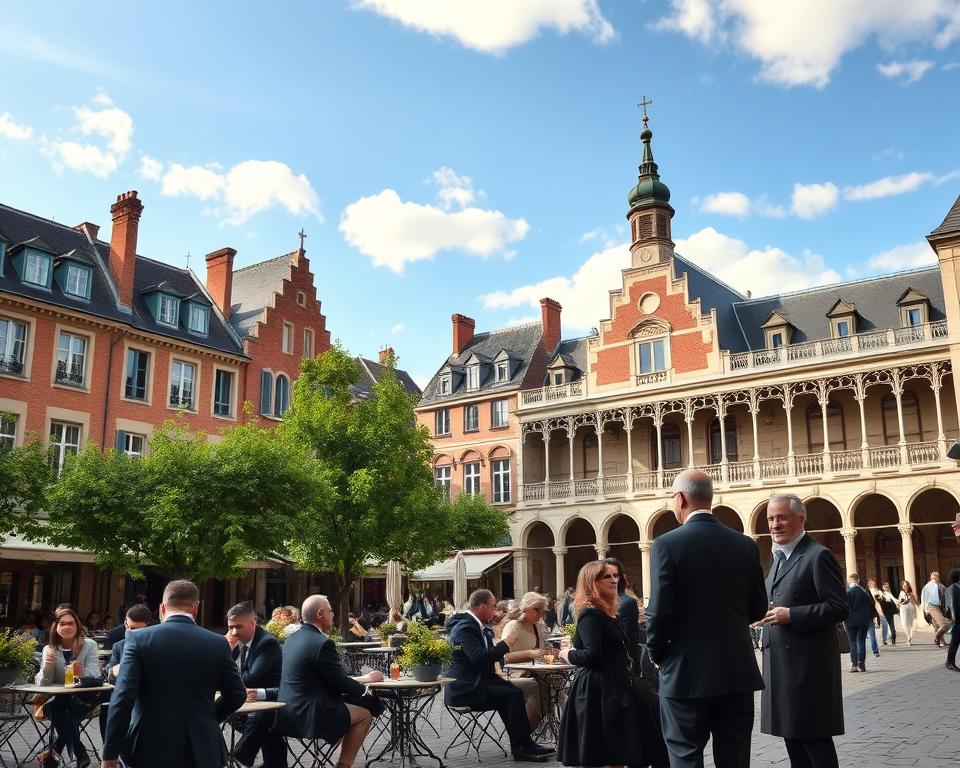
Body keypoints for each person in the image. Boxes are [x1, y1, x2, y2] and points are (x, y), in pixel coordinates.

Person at [645, 469, 767, 768]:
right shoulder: (745, 544)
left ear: (681, 498)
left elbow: (659, 612)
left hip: (684, 672)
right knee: (735, 759)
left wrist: (659, 654)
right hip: (736, 670)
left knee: (685, 756)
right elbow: (758, 608)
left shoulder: (667, 544)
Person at [101, 580, 246, 768]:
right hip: (201, 744)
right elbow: (236, 695)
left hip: (148, 743)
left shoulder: (138, 639)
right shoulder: (218, 643)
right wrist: (208, 717)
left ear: (162, 607)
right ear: (196, 607)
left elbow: (122, 697)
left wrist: (110, 753)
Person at [758, 494, 849, 768]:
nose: (775, 524)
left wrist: (792, 615)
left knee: (814, 742)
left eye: (782, 517)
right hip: (781, 666)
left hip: (808, 670)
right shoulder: (778, 558)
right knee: (793, 740)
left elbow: (838, 607)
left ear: (801, 519)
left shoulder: (817, 556)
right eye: (771, 518)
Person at [557, 560, 667, 768]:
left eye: (615, 575)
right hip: (600, 690)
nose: (614, 580)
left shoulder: (606, 612)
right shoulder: (590, 613)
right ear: (592, 582)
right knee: (609, 754)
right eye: (607, 576)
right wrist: (567, 654)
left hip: (616, 685)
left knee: (619, 752)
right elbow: (591, 655)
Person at [444, 589, 554, 762]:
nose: (496, 611)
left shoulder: (474, 625)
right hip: (465, 689)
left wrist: (491, 626)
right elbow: (479, 657)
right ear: (482, 606)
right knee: (513, 695)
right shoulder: (465, 627)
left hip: (479, 682)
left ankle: (525, 744)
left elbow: (484, 655)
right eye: (493, 606)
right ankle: (522, 748)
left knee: (511, 693)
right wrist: (506, 643)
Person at [274, 595, 384, 768]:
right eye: (331, 612)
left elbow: (324, 678)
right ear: (320, 614)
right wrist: (365, 692)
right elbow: (340, 682)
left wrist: (361, 683)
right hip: (311, 715)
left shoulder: (291, 640)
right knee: (364, 715)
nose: (333, 615)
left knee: (350, 708)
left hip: (286, 714)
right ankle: (343, 765)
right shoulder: (322, 643)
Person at [35, 607, 101, 768]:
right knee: (62, 705)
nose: (67, 627)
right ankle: (79, 752)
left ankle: (54, 751)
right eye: (62, 623)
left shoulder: (89, 645)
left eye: (71, 623)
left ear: (77, 625)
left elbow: (95, 674)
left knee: (60, 706)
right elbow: (43, 684)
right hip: (59, 700)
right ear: (55, 627)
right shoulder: (49, 648)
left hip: (83, 700)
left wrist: (80, 671)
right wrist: (47, 668)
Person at [224, 603, 286, 768]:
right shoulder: (241, 642)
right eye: (230, 627)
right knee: (218, 708)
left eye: (238, 627)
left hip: (275, 701)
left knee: (262, 717)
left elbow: (249, 679)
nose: (234, 632)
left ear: (253, 623)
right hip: (250, 703)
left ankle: (239, 757)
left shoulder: (266, 643)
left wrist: (228, 652)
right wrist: (227, 648)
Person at [98, 604, 152, 741]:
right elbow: (109, 673)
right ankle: (109, 751)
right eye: (128, 627)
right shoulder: (119, 646)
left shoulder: (155, 644)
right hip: (124, 694)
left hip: (147, 697)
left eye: (135, 629)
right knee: (107, 705)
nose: (130, 631)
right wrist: (113, 671)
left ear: (148, 627)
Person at [501, 592, 549, 729]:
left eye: (542, 610)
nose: (541, 613)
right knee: (542, 687)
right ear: (527, 609)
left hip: (537, 672)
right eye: (538, 610)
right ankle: (525, 733)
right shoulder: (513, 626)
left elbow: (541, 651)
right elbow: (505, 657)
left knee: (556, 684)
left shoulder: (537, 627)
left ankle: (531, 732)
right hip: (518, 673)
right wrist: (530, 653)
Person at [605, 556, 643, 671]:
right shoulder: (627, 602)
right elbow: (632, 637)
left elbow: (630, 637)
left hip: (616, 664)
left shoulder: (626, 602)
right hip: (616, 664)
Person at [845, 574, 874, 673]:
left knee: (852, 642)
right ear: (858, 580)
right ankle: (862, 664)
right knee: (861, 642)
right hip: (863, 621)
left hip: (850, 621)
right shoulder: (864, 593)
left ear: (850, 581)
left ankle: (854, 664)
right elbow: (871, 605)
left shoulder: (848, 592)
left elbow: (844, 606)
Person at [920, 571, 950, 647]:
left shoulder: (942, 587)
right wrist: (925, 609)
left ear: (938, 578)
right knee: (943, 624)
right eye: (932, 577)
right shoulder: (927, 587)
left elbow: (944, 598)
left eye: (935, 577)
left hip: (940, 607)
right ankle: (937, 638)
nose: (934, 579)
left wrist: (945, 608)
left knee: (938, 625)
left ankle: (941, 640)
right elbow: (924, 598)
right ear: (930, 578)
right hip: (931, 607)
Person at [944, 569, 960, 671]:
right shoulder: (953, 587)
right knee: (955, 641)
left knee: (955, 640)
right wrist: (954, 618)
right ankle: (949, 662)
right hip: (958, 619)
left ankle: (950, 662)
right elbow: (953, 604)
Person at [897, 580, 919, 645]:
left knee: (913, 622)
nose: (905, 586)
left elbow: (915, 599)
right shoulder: (901, 593)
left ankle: (910, 636)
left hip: (911, 608)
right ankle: (908, 636)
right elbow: (899, 602)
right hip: (903, 609)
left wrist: (917, 604)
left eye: (906, 585)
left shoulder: (911, 592)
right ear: (902, 586)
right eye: (904, 585)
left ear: (908, 586)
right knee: (904, 623)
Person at [878, 581, 898, 646]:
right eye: (885, 586)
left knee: (888, 624)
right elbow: (894, 600)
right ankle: (891, 638)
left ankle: (891, 638)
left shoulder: (888, 593)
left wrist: (899, 602)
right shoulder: (881, 592)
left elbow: (894, 600)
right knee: (889, 624)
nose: (886, 587)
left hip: (886, 610)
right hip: (885, 610)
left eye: (887, 586)